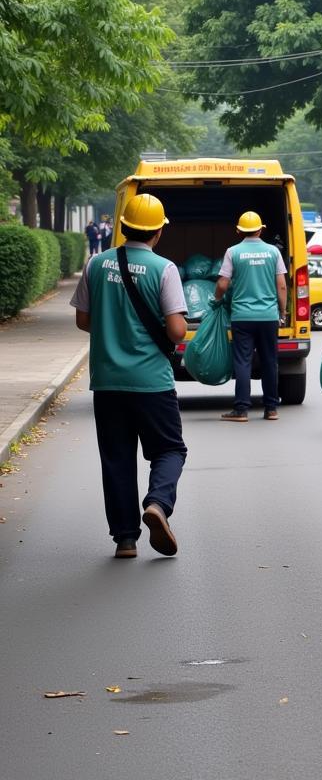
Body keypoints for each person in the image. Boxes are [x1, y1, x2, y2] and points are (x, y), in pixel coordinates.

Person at [70, 193, 188, 559]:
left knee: (117, 458)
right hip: (152, 382)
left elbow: (83, 320)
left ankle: (125, 539)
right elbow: (177, 331)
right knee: (169, 449)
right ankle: (156, 504)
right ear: (158, 232)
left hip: (107, 382)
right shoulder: (164, 269)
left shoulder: (96, 264)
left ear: (121, 227)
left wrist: (114, 330)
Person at [214, 211, 287, 423]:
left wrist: (217, 301)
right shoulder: (273, 252)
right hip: (268, 317)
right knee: (269, 361)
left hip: (242, 317)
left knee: (243, 362)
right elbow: (281, 285)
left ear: (238, 231)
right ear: (261, 229)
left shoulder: (233, 252)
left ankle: (241, 410)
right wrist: (282, 311)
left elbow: (222, 284)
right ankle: (271, 408)